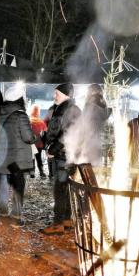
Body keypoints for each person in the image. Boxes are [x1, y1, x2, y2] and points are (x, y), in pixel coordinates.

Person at [41, 83, 81, 235]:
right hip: (66, 154)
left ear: (65, 94)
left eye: (56, 93)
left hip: (65, 155)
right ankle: (67, 220)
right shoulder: (66, 108)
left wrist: (53, 148)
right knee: (64, 188)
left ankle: (58, 223)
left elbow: (68, 133)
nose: (54, 96)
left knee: (60, 188)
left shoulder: (70, 110)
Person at [0, 84, 37, 225]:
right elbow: (28, 137)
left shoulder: (0, 114)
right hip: (17, 160)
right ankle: (16, 217)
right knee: (18, 186)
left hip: (3, 157)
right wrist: (35, 137)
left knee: (3, 185)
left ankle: (2, 213)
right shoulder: (20, 115)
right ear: (20, 99)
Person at [29, 106, 47, 178]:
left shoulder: (29, 120)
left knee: (32, 158)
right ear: (38, 112)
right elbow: (45, 131)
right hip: (39, 143)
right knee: (39, 157)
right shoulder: (41, 121)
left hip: (31, 143)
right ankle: (41, 171)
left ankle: (32, 173)